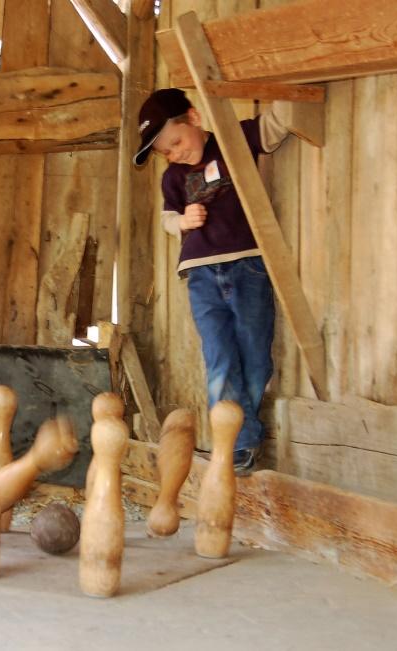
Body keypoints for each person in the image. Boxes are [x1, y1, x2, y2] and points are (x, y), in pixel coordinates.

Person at [133, 88, 294, 476]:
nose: (176, 154)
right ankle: (236, 445)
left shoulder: (232, 139)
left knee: (256, 357)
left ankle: (242, 435)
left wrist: (289, 82)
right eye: (166, 153)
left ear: (194, 118)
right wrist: (183, 222)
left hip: (248, 265)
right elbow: (169, 218)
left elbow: (277, 121)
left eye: (177, 142)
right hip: (201, 273)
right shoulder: (173, 178)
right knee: (219, 357)